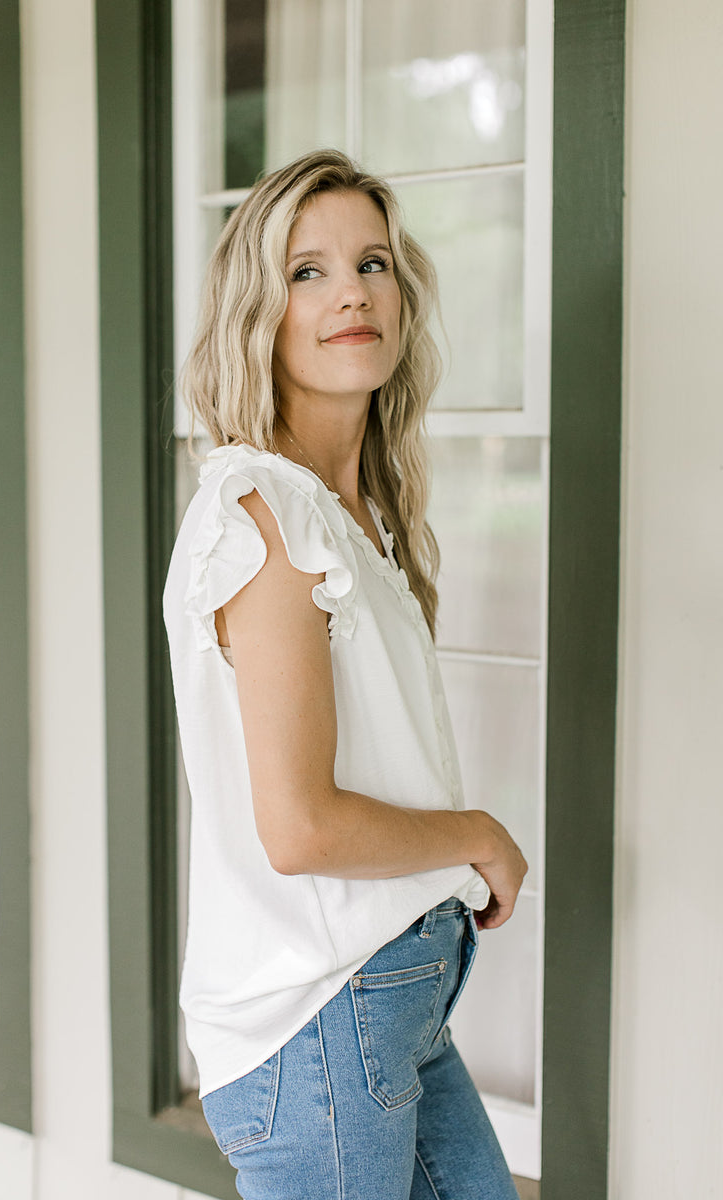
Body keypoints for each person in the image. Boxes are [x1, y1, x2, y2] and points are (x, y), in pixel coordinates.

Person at [163, 149, 527, 1200]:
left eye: (369, 261)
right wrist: (477, 836)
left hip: (385, 1003)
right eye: (306, 271)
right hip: (317, 1026)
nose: (350, 291)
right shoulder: (263, 516)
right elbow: (301, 829)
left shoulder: (346, 511)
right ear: (256, 312)